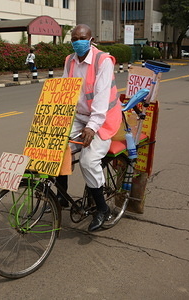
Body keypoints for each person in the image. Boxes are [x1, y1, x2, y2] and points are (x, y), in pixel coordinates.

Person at [57, 24, 122, 232]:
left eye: (82, 38)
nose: (78, 42)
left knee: (87, 160)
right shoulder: (69, 60)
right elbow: (65, 90)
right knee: (56, 147)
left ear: (91, 39)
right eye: (74, 39)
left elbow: (102, 99)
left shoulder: (103, 61)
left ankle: (102, 209)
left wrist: (92, 127)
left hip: (103, 120)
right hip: (80, 117)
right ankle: (61, 196)